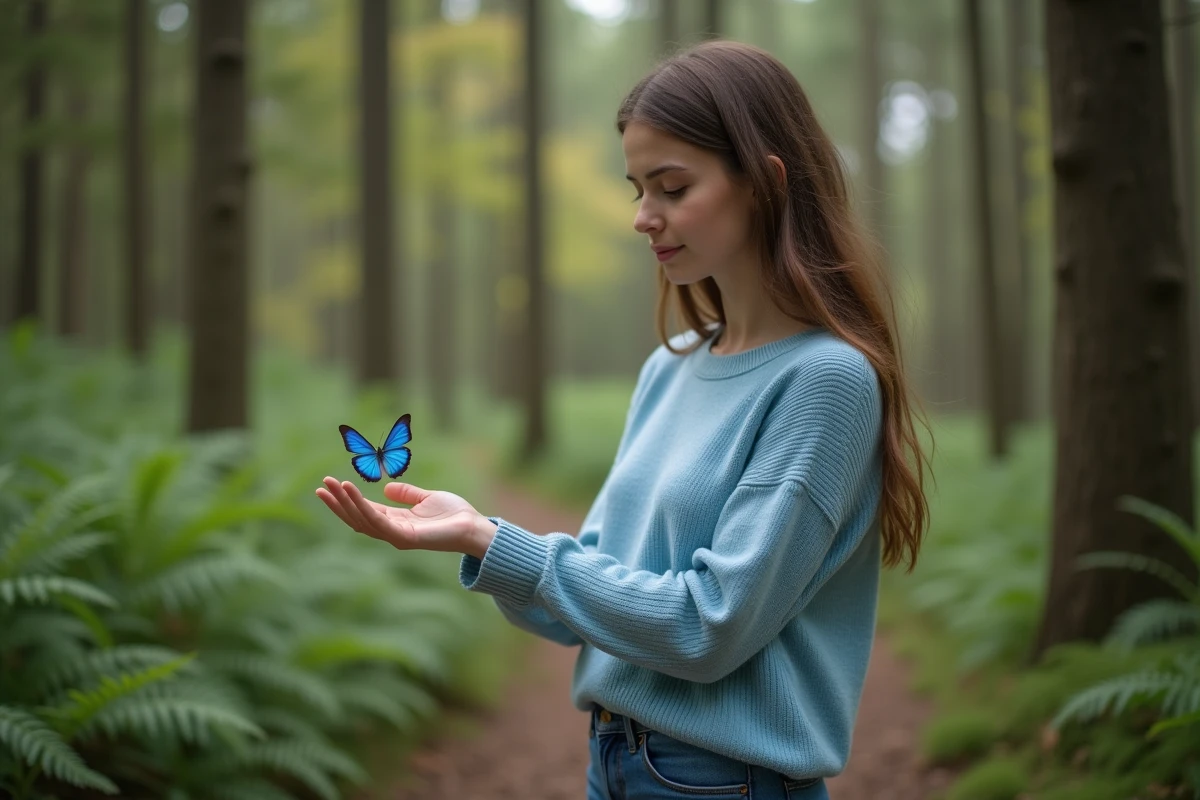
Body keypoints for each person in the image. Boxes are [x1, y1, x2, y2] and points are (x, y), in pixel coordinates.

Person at [316, 39, 929, 800]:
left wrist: (494, 539)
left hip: (721, 781)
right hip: (614, 760)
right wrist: (477, 536)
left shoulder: (825, 382)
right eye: (638, 188)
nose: (644, 217)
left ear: (766, 181)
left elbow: (710, 628)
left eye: (672, 187)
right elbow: (590, 606)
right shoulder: (669, 367)